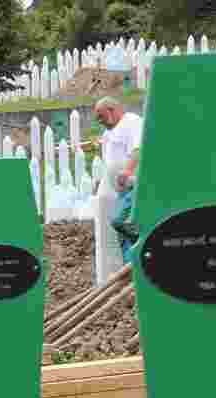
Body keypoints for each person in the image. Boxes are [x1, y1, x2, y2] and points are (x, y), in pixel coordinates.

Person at [92, 97, 142, 280]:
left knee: (120, 222)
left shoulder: (132, 122)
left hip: (134, 186)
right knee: (122, 236)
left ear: (112, 110)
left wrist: (128, 170)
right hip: (120, 191)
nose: (99, 121)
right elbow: (110, 162)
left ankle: (142, 250)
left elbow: (138, 149)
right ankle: (131, 274)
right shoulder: (108, 133)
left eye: (101, 116)